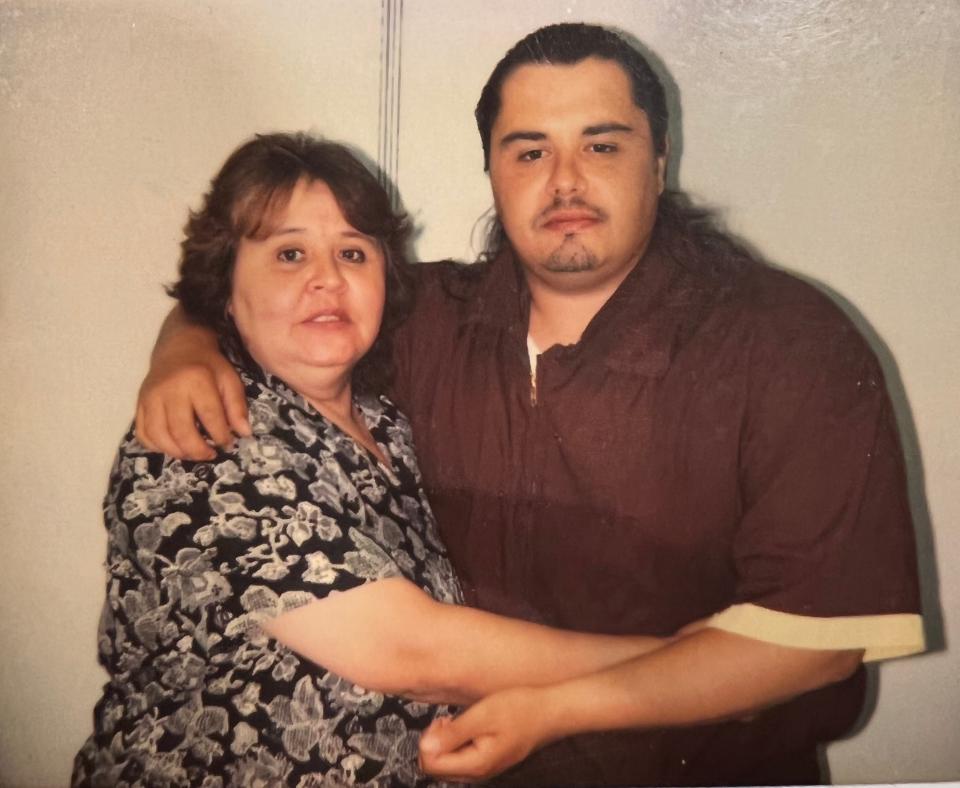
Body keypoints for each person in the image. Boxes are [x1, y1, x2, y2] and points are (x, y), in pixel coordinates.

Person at [135, 25, 925, 787]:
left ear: (659, 163)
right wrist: (186, 346)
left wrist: (557, 710)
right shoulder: (425, 317)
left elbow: (819, 643)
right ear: (493, 171)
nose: (567, 180)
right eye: (531, 150)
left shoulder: (788, 343)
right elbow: (270, 298)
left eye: (602, 145)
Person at [74, 132, 674, 787]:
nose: (327, 279)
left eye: (353, 253)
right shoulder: (202, 438)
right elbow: (414, 652)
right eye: (290, 253)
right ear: (223, 283)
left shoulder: (388, 418)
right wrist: (687, 669)